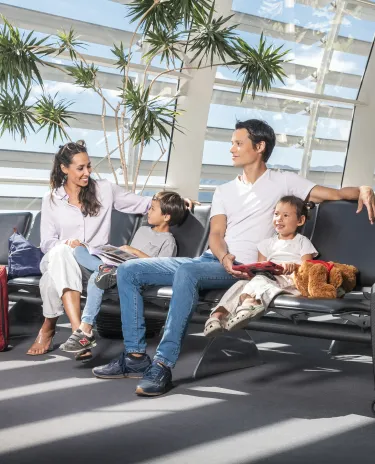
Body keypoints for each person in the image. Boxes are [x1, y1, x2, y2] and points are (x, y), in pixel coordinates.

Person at [92, 119, 375, 397]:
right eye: (232, 143)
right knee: (129, 271)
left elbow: (335, 194)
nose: (231, 149)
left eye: (238, 143)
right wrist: (224, 255)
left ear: (260, 146)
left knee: (187, 274)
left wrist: (363, 188)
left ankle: (163, 364)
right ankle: (135, 356)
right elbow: (216, 234)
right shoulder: (224, 190)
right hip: (214, 260)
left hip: (247, 268)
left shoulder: (283, 181)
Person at [26, 140, 193, 358]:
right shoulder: (51, 199)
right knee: (61, 253)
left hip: (92, 265)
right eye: (80, 168)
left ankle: (52, 330)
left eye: (88, 166)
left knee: (50, 280)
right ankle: (80, 332)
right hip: (61, 257)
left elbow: (141, 203)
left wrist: (179, 201)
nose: (87, 172)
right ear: (64, 169)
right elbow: (47, 242)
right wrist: (67, 244)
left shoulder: (104, 189)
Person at [59, 191, 186, 355]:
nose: (148, 211)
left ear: (166, 217)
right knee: (79, 250)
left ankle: (86, 329)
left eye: (153, 209)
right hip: (118, 267)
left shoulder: (168, 241)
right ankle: (102, 268)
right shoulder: (142, 230)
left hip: (135, 274)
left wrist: (134, 251)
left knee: (96, 279)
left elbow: (162, 268)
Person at [204, 196, 318, 336]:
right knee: (243, 283)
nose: (279, 219)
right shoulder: (266, 244)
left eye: (286, 215)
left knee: (259, 281)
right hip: (269, 280)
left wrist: (293, 266)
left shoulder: (302, 242)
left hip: (291, 282)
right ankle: (218, 315)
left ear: (300, 221)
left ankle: (250, 304)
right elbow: (261, 266)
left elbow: (309, 270)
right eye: (276, 214)